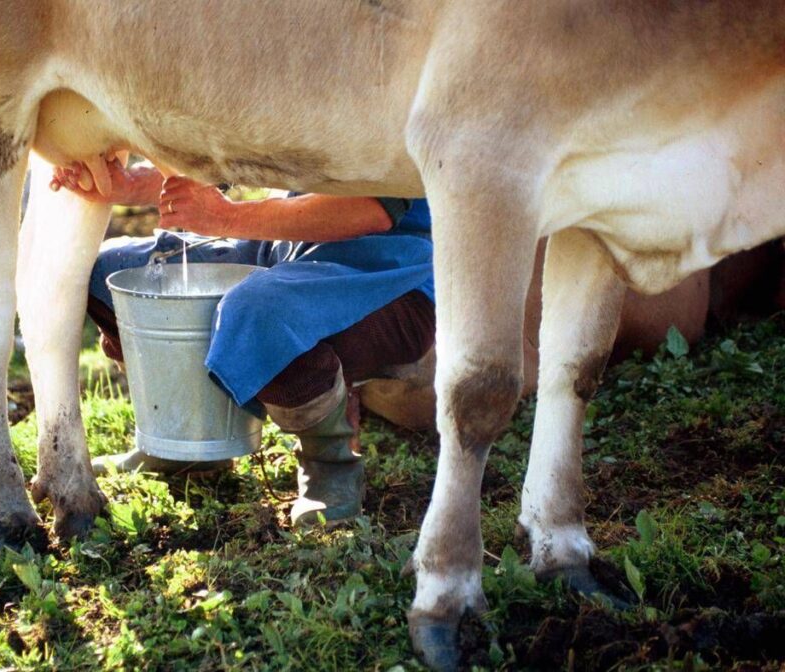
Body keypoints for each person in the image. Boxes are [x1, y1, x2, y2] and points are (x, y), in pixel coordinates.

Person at [51, 156, 719, 527]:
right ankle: (177, 438)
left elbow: (373, 208)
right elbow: (242, 142)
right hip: (290, 233)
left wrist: (226, 215)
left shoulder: (391, 43)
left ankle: (332, 471)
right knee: (110, 269)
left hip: (396, 259)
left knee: (260, 310)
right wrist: (142, 177)